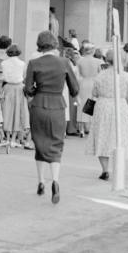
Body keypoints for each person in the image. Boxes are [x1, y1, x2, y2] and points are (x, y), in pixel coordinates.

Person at [23, 30, 78, 204]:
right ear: (55, 44)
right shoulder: (64, 62)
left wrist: (36, 92)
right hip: (57, 105)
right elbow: (74, 88)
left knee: (39, 141)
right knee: (56, 143)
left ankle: (40, 181)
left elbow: (28, 89)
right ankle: (55, 181)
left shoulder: (33, 63)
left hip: (39, 105)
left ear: (39, 45)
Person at [85, 49, 128, 180]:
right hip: (120, 106)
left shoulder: (101, 75)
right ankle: (118, 169)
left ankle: (105, 169)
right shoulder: (125, 76)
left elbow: (94, 92)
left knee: (102, 136)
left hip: (103, 106)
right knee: (119, 137)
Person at [0, 44, 28, 148]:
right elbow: (23, 76)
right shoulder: (22, 63)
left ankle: (7, 137)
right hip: (19, 87)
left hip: (7, 87)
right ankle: (13, 139)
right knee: (18, 112)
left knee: (7, 111)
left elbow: (3, 76)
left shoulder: (4, 63)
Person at [76, 43, 100, 137]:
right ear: (93, 51)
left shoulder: (80, 61)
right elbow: (101, 74)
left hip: (83, 82)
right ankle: (89, 127)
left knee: (82, 104)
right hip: (93, 82)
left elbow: (77, 75)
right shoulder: (98, 61)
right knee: (91, 103)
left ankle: (81, 129)